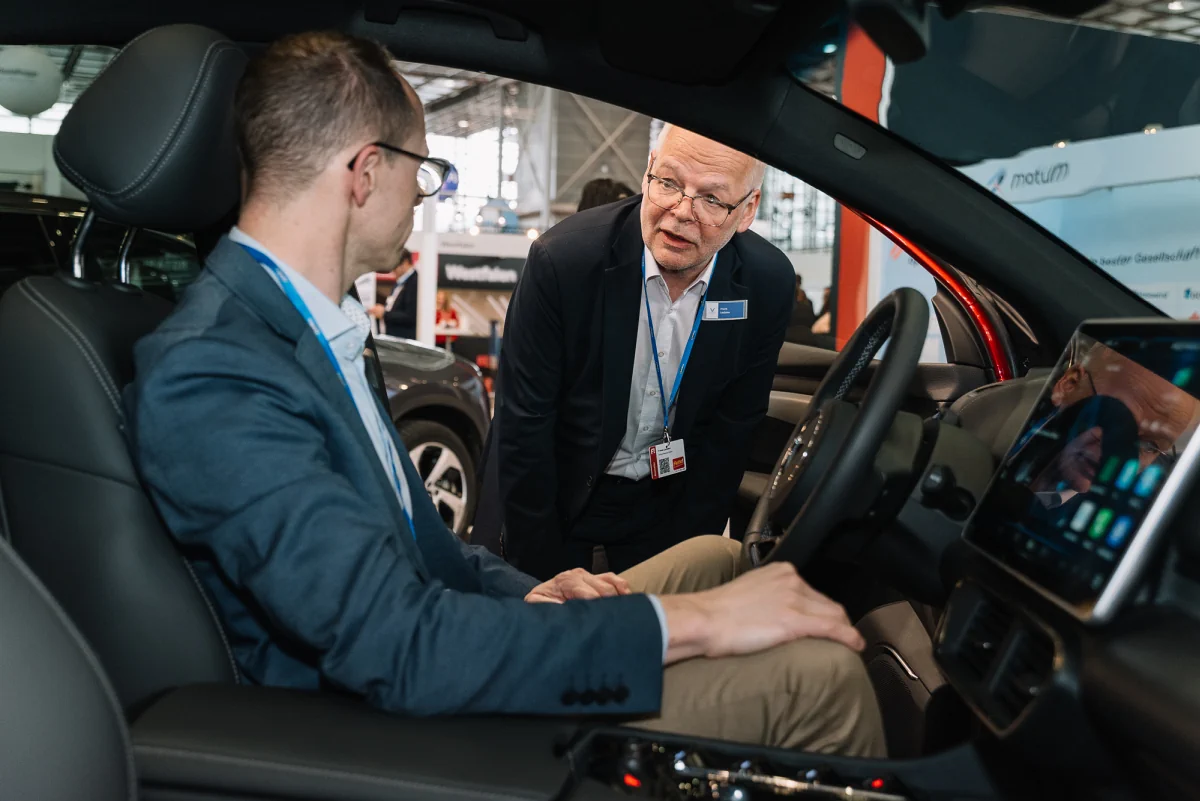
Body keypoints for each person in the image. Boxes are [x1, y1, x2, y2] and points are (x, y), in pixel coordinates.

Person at [125, 31, 883, 756]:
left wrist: (528, 590)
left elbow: (417, 551)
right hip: (390, 716)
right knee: (825, 681)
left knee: (716, 559)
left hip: (440, 646)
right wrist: (693, 625)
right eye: (422, 172)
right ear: (365, 173)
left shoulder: (307, 326)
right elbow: (396, 644)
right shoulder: (215, 372)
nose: (423, 198)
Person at [496, 124, 796, 578]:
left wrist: (687, 560)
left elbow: (730, 437)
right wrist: (542, 573)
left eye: (712, 199)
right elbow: (525, 427)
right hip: (559, 489)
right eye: (669, 183)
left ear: (747, 210)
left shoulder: (766, 284)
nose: (680, 212)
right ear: (647, 174)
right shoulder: (565, 262)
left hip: (666, 504)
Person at [370, 248, 417, 338]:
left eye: (395, 266)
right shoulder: (400, 282)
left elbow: (411, 316)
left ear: (406, 262)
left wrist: (385, 313)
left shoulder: (415, 282)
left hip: (404, 341)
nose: (392, 270)